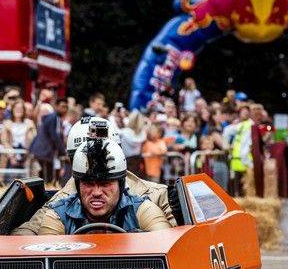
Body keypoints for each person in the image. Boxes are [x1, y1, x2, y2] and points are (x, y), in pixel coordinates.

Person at [12, 117, 177, 235]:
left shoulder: (153, 196)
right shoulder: (60, 208)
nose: (94, 157)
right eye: (83, 155)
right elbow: (29, 234)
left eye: (106, 182)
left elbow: (173, 237)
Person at [38, 139, 171, 234]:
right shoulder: (58, 215)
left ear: (121, 184)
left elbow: (164, 245)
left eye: (105, 184)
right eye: (88, 184)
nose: (96, 192)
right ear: (77, 186)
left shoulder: (143, 210)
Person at [29, 97, 68, 182]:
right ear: (56, 106)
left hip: (46, 152)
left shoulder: (56, 119)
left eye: (66, 107)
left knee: (47, 176)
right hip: (43, 151)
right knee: (46, 177)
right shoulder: (52, 117)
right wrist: (63, 151)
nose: (64, 109)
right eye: (62, 106)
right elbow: (54, 136)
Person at [0, 99, 36, 173]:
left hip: (26, 155)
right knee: (10, 181)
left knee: (26, 181)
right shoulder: (6, 123)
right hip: (10, 156)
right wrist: (12, 156)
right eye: (16, 108)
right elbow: (4, 141)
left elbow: (34, 140)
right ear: (12, 110)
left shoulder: (30, 123)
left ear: (24, 110)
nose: (18, 110)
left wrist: (27, 156)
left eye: (20, 108)